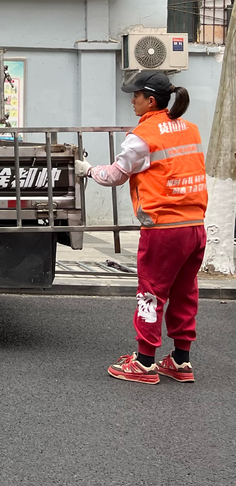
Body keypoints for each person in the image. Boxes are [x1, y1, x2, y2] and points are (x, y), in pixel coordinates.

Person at [76, 71, 207, 385]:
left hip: (164, 228)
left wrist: (89, 170)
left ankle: (145, 362)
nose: (131, 100)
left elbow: (116, 175)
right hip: (195, 226)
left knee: (151, 292)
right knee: (185, 292)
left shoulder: (144, 134)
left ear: (150, 100)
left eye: (135, 95)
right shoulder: (190, 129)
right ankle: (180, 360)